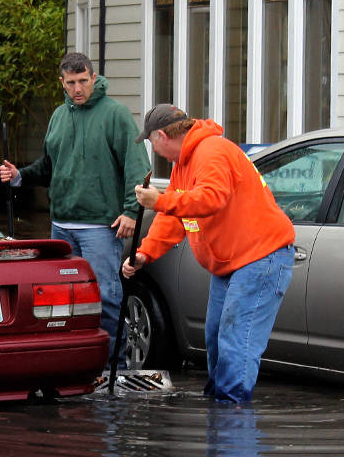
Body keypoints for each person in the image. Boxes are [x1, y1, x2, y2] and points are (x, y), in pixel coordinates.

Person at [121, 104, 295, 404]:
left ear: (162, 135)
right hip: (231, 263)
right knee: (216, 337)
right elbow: (176, 217)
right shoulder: (183, 164)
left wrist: (160, 199)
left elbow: (210, 199)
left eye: (152, 142)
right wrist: (144, 254)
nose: (155, 151)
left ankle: (231, 417)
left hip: (260, 257)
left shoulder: (211, 151)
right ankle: (221, 413)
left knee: (235, 340)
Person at [0, 52, 152, 368]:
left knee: (106, 297)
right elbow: (49, 167)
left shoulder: (115, 115)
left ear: (94, 79)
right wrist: (19, 176)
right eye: (71, 83)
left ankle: (113, 367)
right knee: (64, 300)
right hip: (62, 226)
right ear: (62, 83)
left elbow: (138, 168)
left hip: (100, 225)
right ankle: (74, 364)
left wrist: (132, 212)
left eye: (84, 81)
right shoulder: (58, 116)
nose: (78, 88)